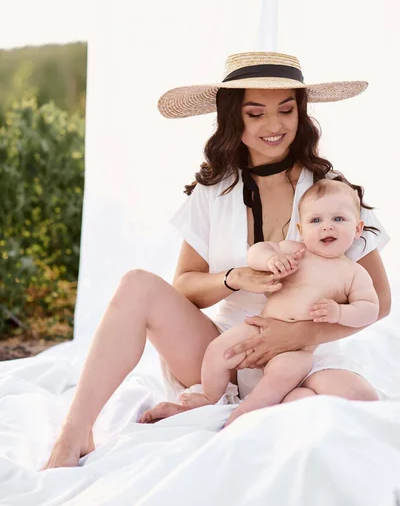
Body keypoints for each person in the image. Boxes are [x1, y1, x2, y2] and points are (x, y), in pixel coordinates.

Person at [45, 51, 391, 468]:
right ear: (233, 118)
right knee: (137, 283)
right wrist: (235, 278)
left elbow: (380, 302)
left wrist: (299, 335)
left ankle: (274, 402)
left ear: (301, 114)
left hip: (305, 356)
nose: (274, 125)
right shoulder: (213, 190)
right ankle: (74, 433)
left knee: (357, 403)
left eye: (286, 110)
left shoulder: (333, 195)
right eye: (255, 113)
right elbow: (185, 285)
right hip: (221, 352)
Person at [179, 179, 379, 425]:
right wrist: (271, 259)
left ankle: (246, 412)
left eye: (338, 219)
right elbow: (257, 252)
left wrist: (339, 312)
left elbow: (370, 309)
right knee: (219, 349)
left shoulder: (353, 273)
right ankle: (210, 396)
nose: (327, 227)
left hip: (299, 348)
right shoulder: (294, 251)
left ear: (358, 228)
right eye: (316, 221)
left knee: (286, 372)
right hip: (260, 326)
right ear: (301, 229)